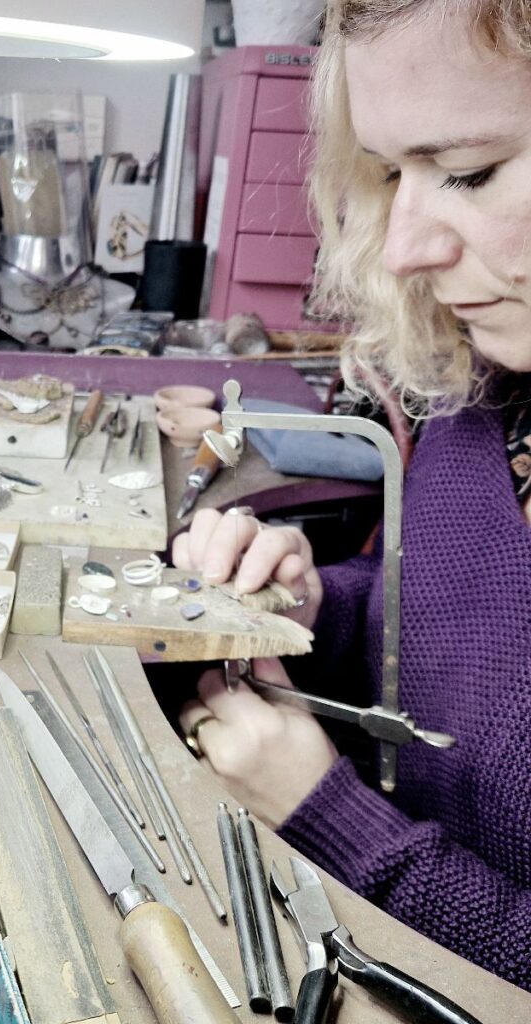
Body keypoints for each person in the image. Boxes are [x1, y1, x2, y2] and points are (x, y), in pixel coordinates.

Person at [173, 0, 531, 991]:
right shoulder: (487, 394)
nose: (402, 245)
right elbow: (440, 614)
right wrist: (316, 605)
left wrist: (324, 811)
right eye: (389, 175)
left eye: (465, 171)